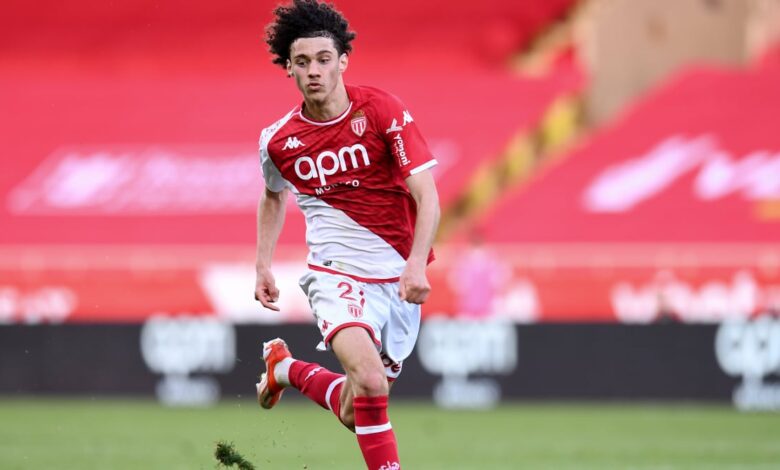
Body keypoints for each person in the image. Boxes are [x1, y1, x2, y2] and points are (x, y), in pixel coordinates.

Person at [253, 1, 440, 468]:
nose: (313, 71)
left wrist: (417, 263)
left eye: (323, 59)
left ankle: (285, 369)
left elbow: (427, 194)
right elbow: (273, 196)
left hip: (397, 276)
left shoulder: (381, 110)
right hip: (336, 273)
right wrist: (263, 264)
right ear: (289, 68)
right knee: (372, 382)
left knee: (357, 410)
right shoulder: (277, 141)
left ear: (343, 61)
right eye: (302, 62)